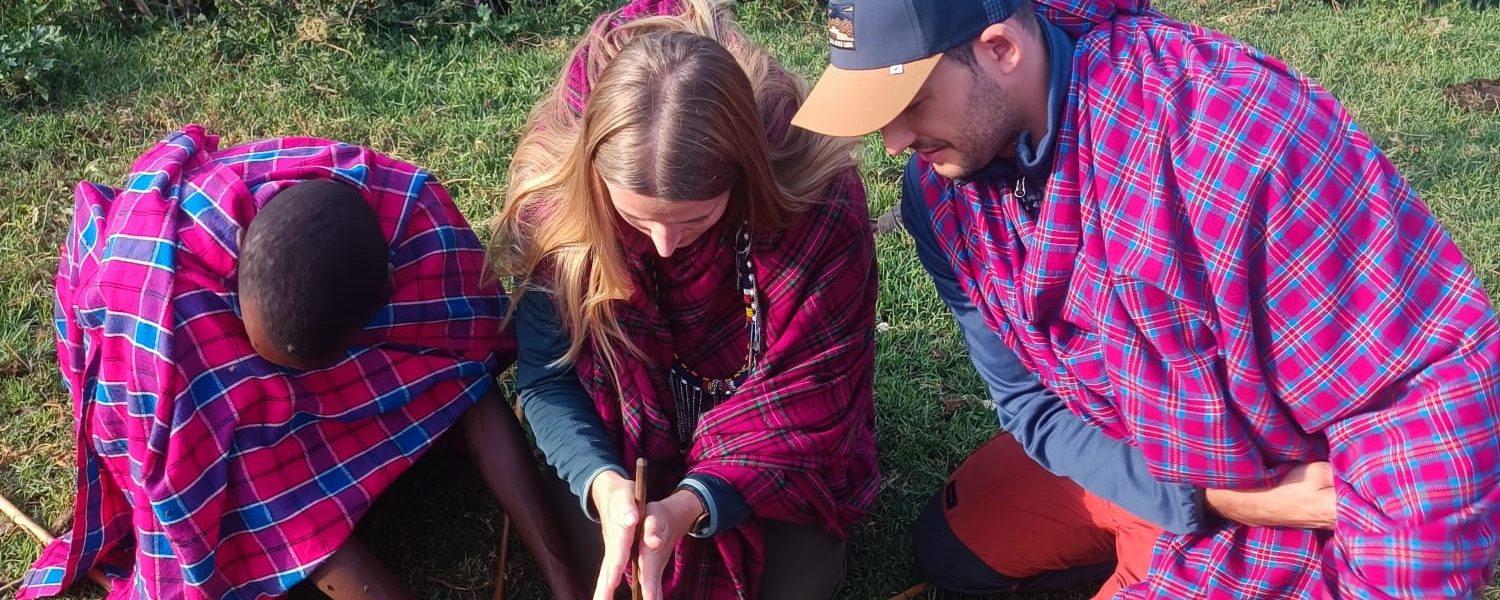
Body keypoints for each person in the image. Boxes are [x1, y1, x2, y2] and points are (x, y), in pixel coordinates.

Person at [793, 0, 1500, 598]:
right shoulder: (939, 196)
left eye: (911, 102)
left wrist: (1281, 515)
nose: (892, 142)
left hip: (1291, 483)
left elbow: (1431, 398)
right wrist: (1207, 499)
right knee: (949, 551)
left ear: (1001, 48)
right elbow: (1030, 407)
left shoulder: (1233, 143)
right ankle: (1154, 527)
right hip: (1156, 444)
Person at [20, 125, 584, 600]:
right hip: (191, 350)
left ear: (388, 296)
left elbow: (466, 375)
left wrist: (566, 576)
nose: (295, 392)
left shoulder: (417, 225)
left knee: (454, 370)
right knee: (246, 474)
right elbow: (280, 513)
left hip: (324, 314)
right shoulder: (177, 333)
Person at [489, 1, 879, 598]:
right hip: (624, 438)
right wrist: (602, 482)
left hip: (773, 446)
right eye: (638, 219)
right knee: (617, 577)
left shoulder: (816, 204)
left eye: (696, 219)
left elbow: (818, 391)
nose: (667, 248)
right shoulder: (558, 211)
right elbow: (547, 378)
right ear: (595, 179)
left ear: (744, 174)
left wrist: (694, 502)